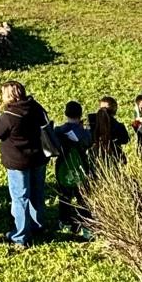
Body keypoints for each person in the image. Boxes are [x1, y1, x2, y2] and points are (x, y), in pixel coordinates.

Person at [0, 80, 51, 246]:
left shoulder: (9, 116)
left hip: (18, 162)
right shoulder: (34, 106)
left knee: (20, 198)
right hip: (38, 157)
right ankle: (37, 225)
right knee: (37, 193)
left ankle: (20, 235)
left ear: (10, 96)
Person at [49, 101, 93, 235]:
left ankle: (65, 223)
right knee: (83, 198)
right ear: (80, 114)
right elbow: (89, 143)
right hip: (81, 167)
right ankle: (86, 227)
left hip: (64, 167)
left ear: (65, 114)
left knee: (64, 197)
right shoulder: (84, 132)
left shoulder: (58, 131)